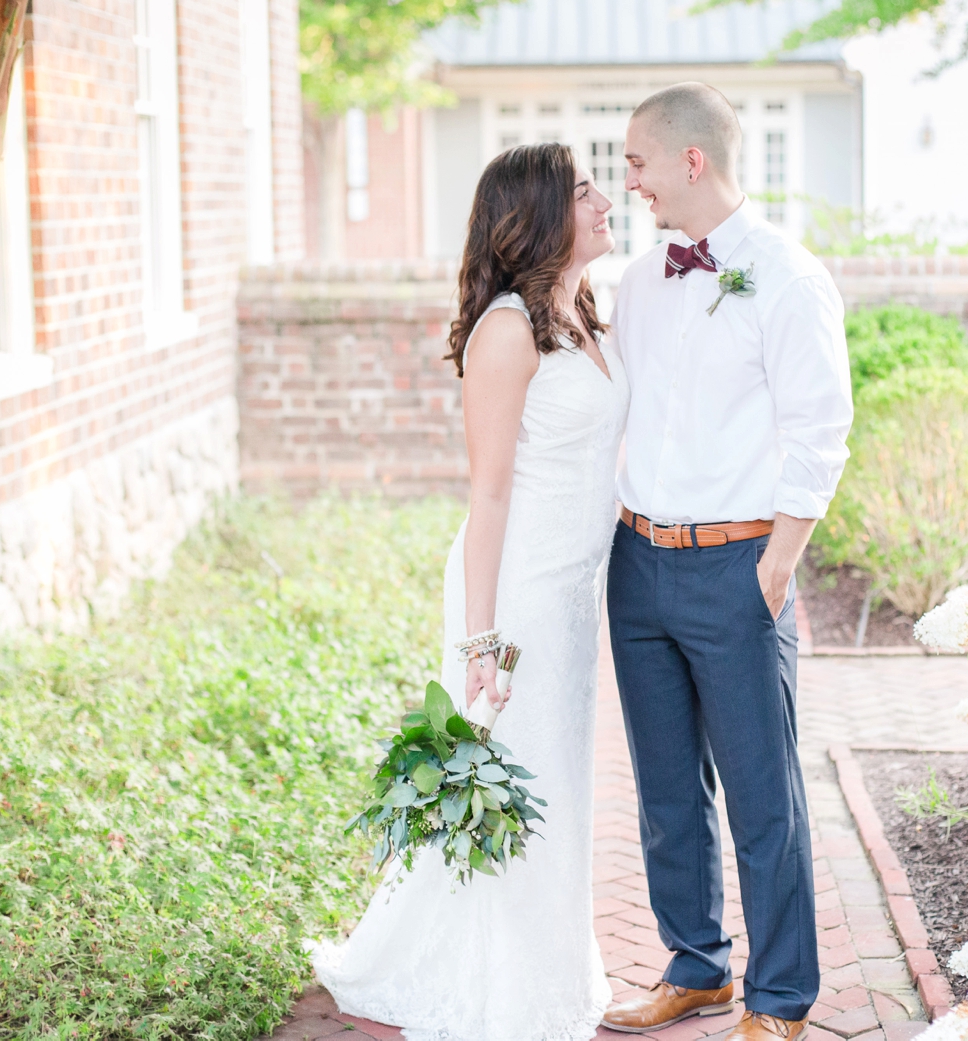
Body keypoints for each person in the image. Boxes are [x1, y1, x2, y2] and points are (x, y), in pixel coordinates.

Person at [310, 143, 627, 1041]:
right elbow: (487, 494)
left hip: (573, 593)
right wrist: (480, 643)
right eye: (583, 189)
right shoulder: (504, 331)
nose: (605, 198)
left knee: (559, 786)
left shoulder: (583, 313)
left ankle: (550, 964)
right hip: (517, 593)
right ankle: (506, 988)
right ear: (537, 214)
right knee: (521, 783)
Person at [598, 83, 854, 1041]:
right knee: (666, 789)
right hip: (639, 560)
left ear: (690, 161)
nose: (629, 183)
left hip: (740, 564)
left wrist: (778, 562)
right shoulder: (636, 280)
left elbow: (821, 428)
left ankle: (780, 997)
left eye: (636, 163)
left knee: (762, 793)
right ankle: (695, 966)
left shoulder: (787, 277)